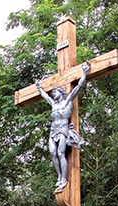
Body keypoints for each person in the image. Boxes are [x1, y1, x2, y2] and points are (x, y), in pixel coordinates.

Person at [35, 61, 91, 191]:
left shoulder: (67, 101)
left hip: (63, 130)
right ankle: (59, 177)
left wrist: (84, 73)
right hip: (53, 130)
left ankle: (64, 179)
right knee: (52, 153)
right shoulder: (54, 104)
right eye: (53, 93)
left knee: (61, 153)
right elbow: (44, 96)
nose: (53, 95)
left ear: (61, 92)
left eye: (55, 93)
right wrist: (39, 88)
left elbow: (78, 87)